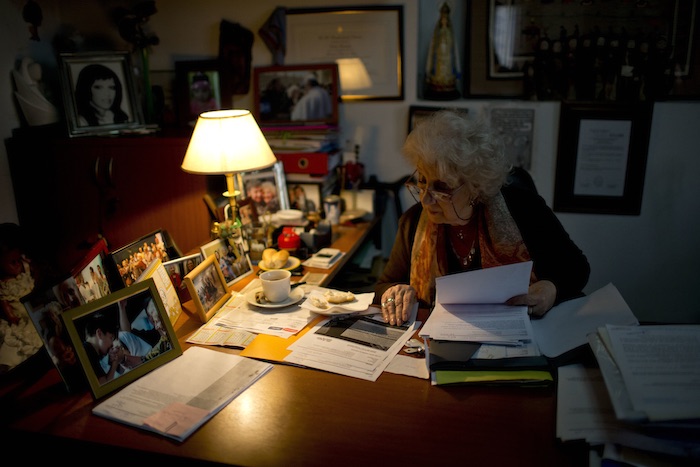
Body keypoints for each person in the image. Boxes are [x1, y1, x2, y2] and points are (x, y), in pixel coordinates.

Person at [375, 110, 590, 325]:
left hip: (520, 334)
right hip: (440, 341)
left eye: (441, 188)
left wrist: (551, 288)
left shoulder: (523, 209)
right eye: (422, 181)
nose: (425, 200)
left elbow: (577, 269)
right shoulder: (412, 223)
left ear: (475, 187)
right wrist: (394, 292)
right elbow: (385, 285)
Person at [82, 311, 125, 384]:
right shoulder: (87, 352)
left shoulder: (90, 351)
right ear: (99, 333)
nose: (112, 344)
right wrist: (115, 363)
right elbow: (104, 384)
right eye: (111, 338)